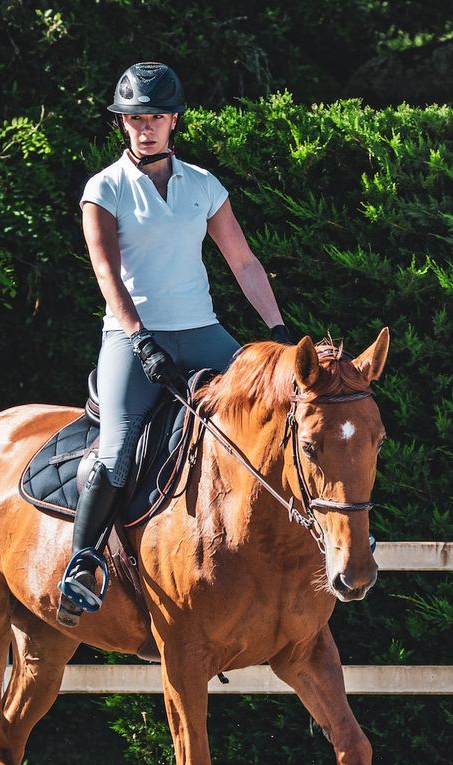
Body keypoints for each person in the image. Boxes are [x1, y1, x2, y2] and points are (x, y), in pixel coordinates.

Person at [57, 61, 293, 627]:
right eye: (135, 119)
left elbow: (243, 261)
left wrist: (279, 331)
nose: (146, 128)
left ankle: (324, 530)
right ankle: (82, 563)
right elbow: (106, 273)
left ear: (174, 121)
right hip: (131, 337)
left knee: (286, 405)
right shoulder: (104, 188)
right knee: (116, 448)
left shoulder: (203, 185)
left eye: (156, 118)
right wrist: (139, 338)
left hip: (203, 331)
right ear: (123, 123)